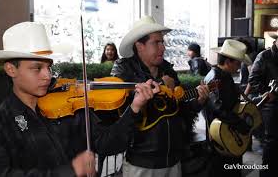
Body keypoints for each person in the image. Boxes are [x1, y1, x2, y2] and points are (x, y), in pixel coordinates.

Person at [0, 22, 160, 177]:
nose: (47, 76)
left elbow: (109, 143)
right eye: (37, 68)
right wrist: (70, 171)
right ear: (11, 69)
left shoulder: (72, 105)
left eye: (49, 67)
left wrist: (135, 107)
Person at [111, 16, 209, 177]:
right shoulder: (123, 68)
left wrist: (198, 102)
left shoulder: (168, 70)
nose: (163, 47)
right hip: (141, 162)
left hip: (173, 159)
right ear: (139, 45)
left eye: (162, 42)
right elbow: (122, 107)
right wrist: (159, 83)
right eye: (156, 42)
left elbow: (180, 110)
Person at [202, 39, 252, 177]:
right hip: (221, 139)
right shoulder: (216, 77)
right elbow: (218, 108)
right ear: (228, 61)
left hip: (225, 136)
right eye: (237, 62)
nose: (239, 66)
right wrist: (239, 123)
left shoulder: (222, 75)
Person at [249, 31, 278, 177]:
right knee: (271, 143)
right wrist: (268, 93)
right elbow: (253, 81)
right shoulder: (264, 56)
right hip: (271, 106)